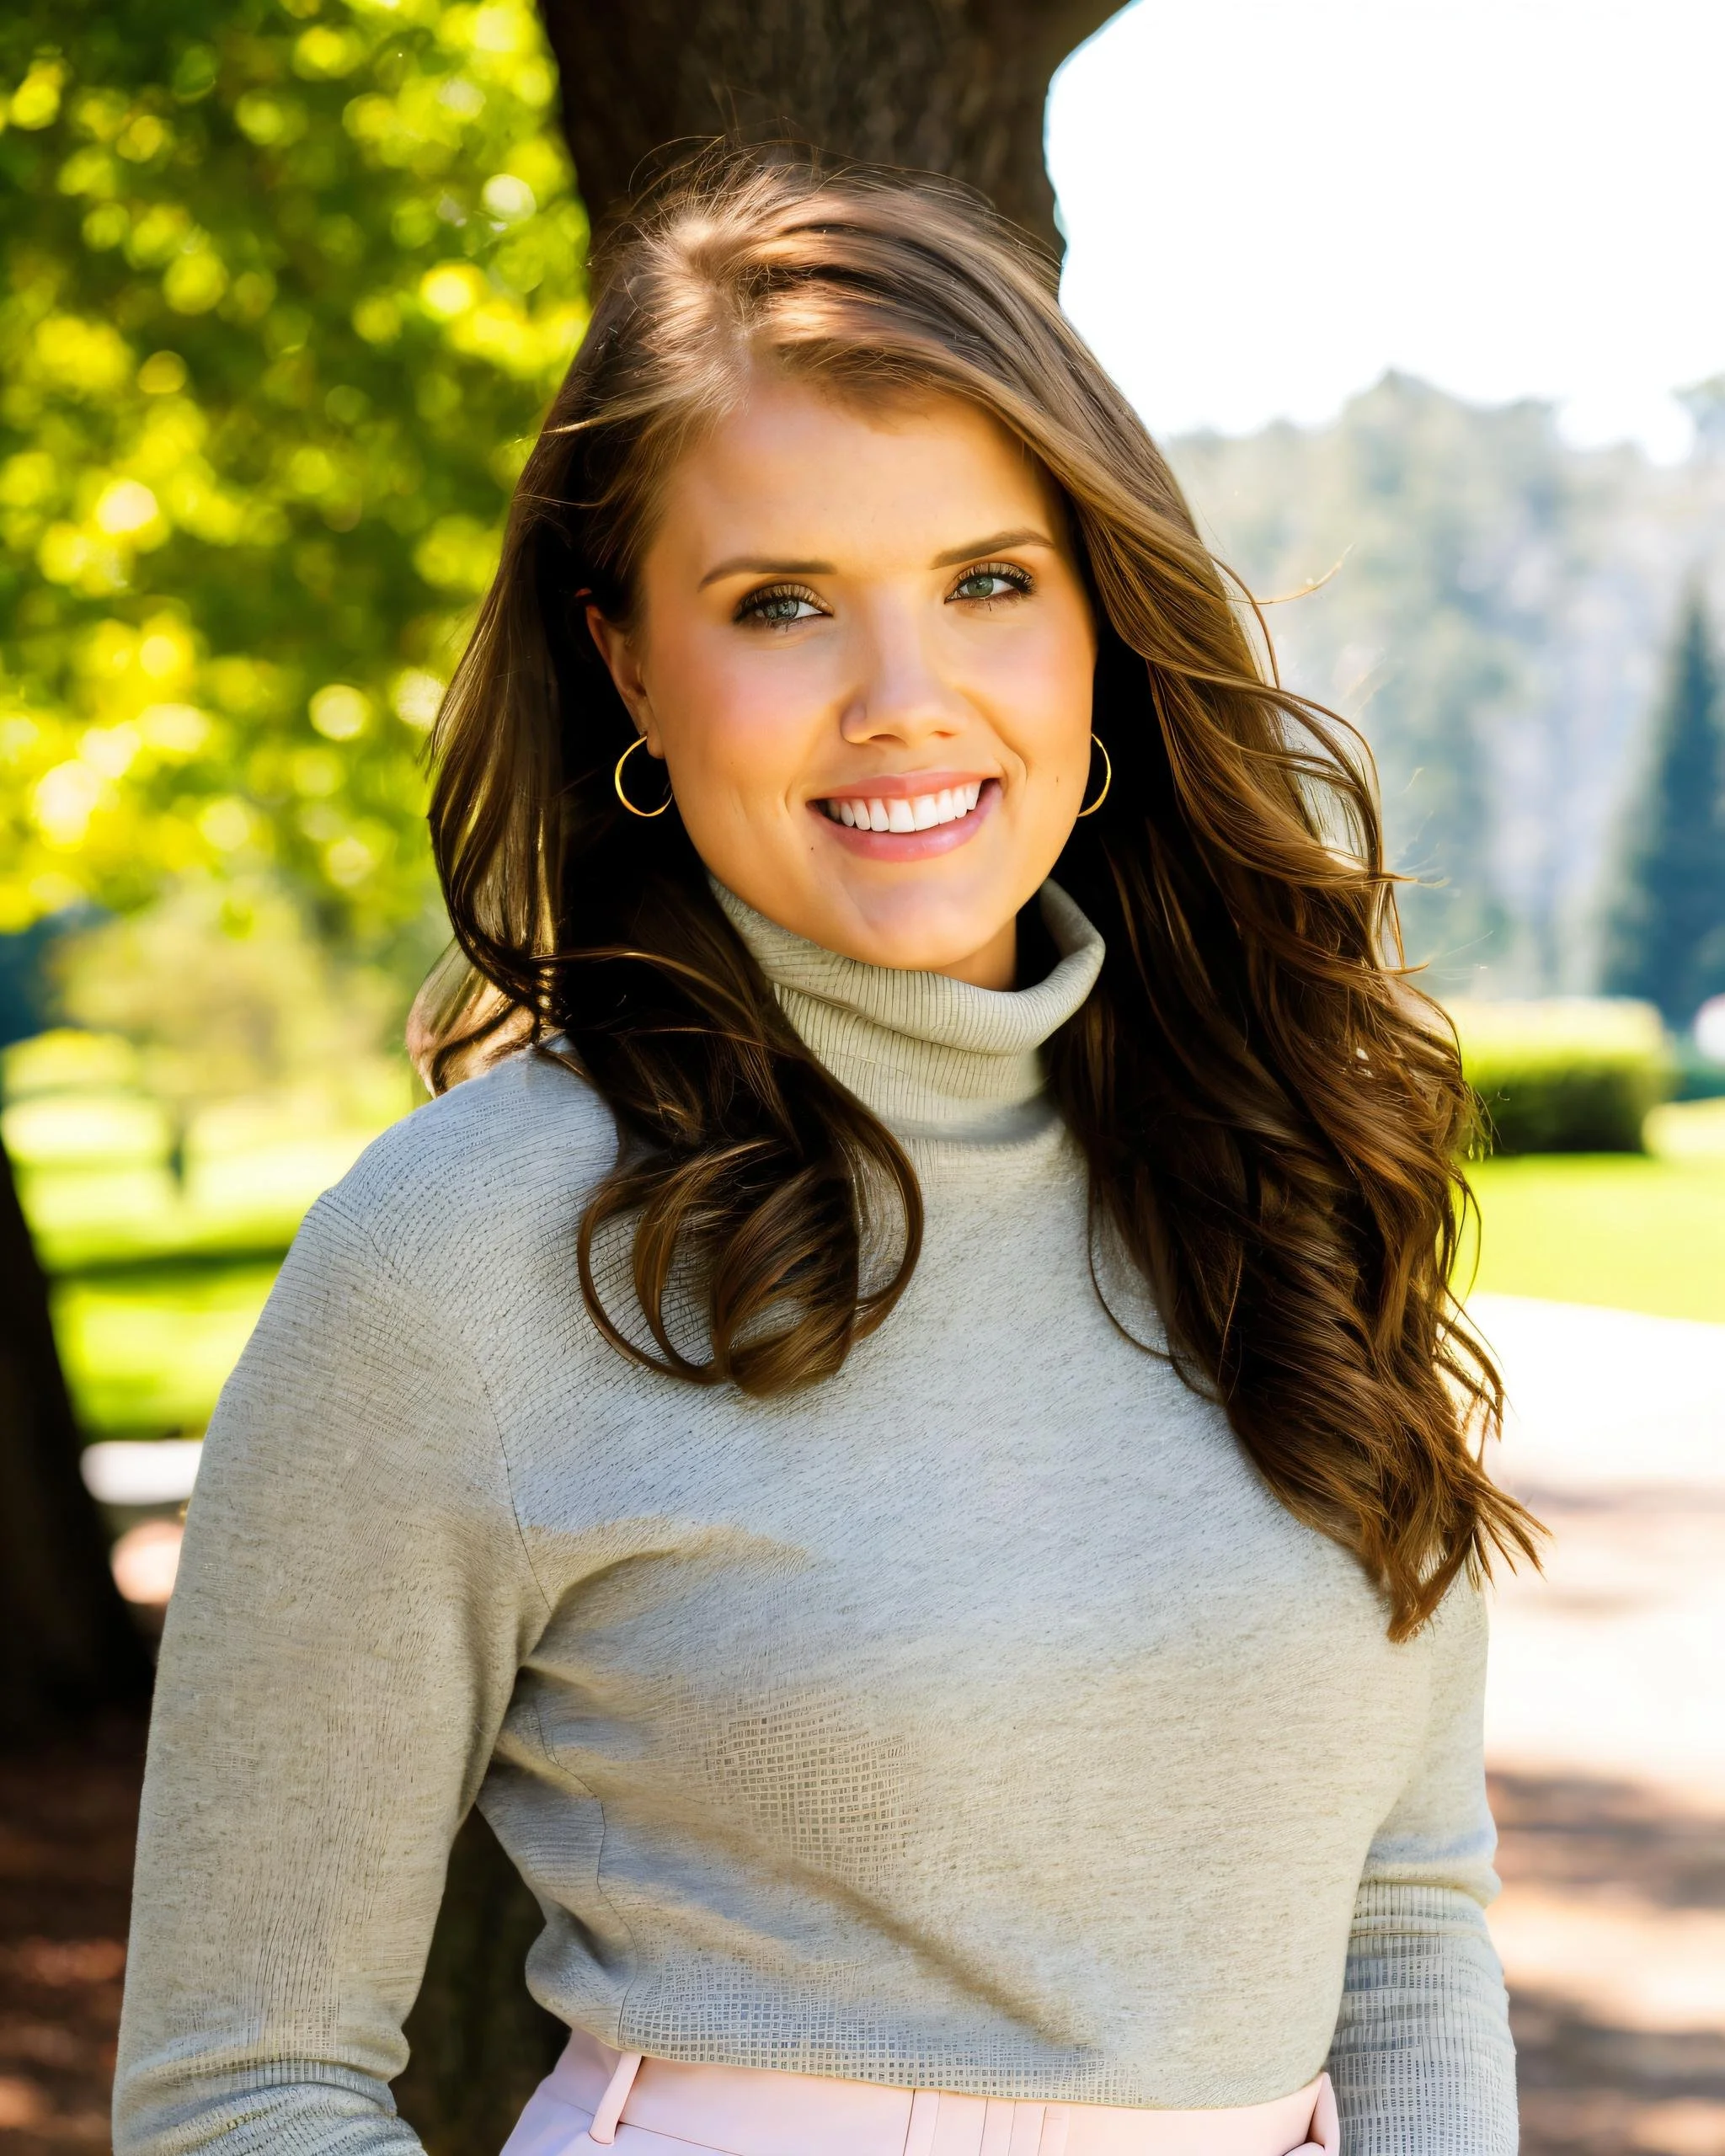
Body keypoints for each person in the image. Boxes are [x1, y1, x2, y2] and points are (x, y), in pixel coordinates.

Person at [115, 153, 1538, 2156]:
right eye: (780, 604)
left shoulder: (1278, 1162)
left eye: (985, 582)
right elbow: (238, 2081)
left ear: (1098, 618)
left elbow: (1401, 1910)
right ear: (626, 663)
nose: (902, 702)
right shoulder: (462, 1259)